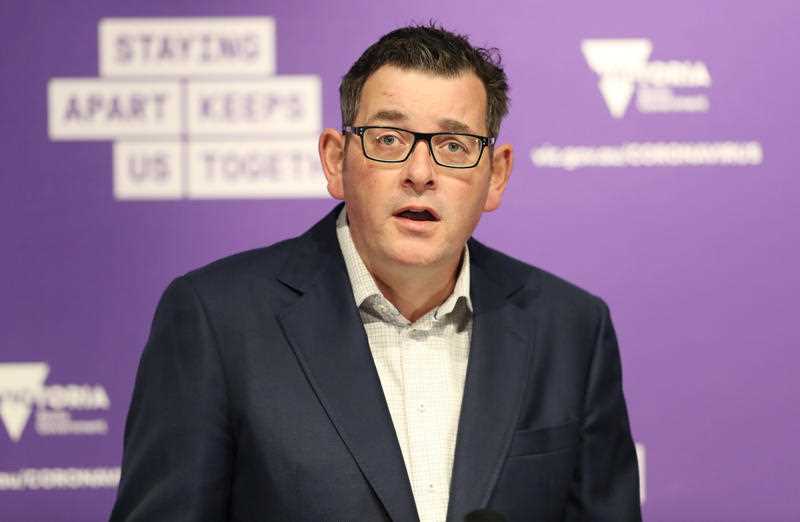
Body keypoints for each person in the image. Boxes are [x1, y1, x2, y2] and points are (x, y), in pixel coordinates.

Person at [110, 24, 641, 522]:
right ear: (336, 160)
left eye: (453, 146)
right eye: (389, 139)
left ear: (496, 175)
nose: (420, 174)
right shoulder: (218, 320)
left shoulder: (571, 328)